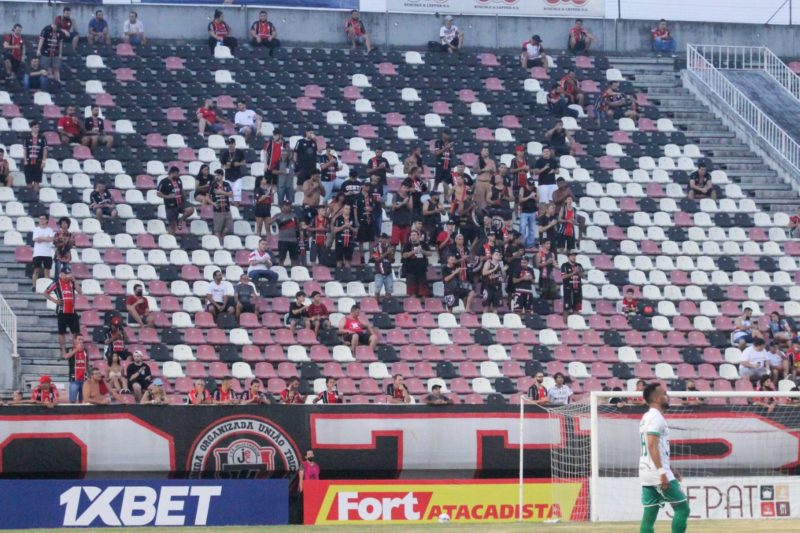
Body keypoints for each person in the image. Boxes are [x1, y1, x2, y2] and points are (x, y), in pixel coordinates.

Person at [639, 383, 689, 533]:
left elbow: (658, 448)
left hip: (646, 472)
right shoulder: (656, 418)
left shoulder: (646, 417)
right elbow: (652, 446)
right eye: (664, 393)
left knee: (649, 516)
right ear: (656, 398)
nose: (668, 397)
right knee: (682, 509)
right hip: (657, 473)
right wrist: (662, 472)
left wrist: (670, 469)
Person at [44, 265, 81, 357]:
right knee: (62, 332)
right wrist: (55, 301)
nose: (68, 276)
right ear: (61, 274)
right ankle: (63, 350)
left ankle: (75, 349)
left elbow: (80, 292)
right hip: (62, 311)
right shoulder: (56, 283)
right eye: (66, 274)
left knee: (75, 332)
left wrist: (75, 280)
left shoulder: (72, 282)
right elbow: (45, 293)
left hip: (72, 311)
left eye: (69, 274)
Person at [157, 166, 194, 234]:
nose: (178, 175)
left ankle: (180, 220)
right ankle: (170, 239)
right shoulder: (163, 182)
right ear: (172, 173)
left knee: (190, 209)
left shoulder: (178, 180)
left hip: (180, 202)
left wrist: (185, 197)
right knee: (172, 226)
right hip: (170, 205)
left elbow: (181, 189)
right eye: (177, 173)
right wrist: (167, 196)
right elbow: (158, 193)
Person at [402, 230, 432, 299]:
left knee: (424, 292)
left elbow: (430, 253)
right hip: (410, 270)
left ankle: (425, 306)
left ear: (418, 236)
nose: (412, 237)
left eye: (414, 235)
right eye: (411, 235)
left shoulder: (423, 244)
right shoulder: (407, 244)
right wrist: (413, 251)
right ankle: (413, 306)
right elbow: (404, 255)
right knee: (412, 293)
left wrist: (422, 251)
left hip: (421, 270)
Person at [23, 121, 47, 195]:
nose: (37, 129)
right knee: (29, 180)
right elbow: (25, 149)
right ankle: (29, 196)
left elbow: (45, 149)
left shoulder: (42, 138)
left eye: (38, 127)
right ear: (31, 128)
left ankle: (35, 197)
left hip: (38, 161)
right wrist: (25, 160)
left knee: (37, 180)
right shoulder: (27, 138)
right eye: (35, 127)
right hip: (28, 161)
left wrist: (43, 161)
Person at [31, 214, 55, 288]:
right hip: (37, 253)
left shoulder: (50, 230)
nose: (41, 220)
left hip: (47, 253)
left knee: (47, 271)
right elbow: (36, 239)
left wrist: (41, 237)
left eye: (43, 219)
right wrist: (45, 238)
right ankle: (34, 286)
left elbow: (51, 239)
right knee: (36, 270)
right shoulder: (36, 229)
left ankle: (47, 287)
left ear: (47, 220)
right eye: (40, 218)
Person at [63, 334, 88, 403]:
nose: (81, 341)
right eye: (79, 339)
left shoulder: (85, 350)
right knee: (72, 400)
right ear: (75, 340)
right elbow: (66, 357)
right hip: (74, 378)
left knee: (82, 400)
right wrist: (77, 349)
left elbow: (87, 363)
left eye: (82, 339)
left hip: (84, 378)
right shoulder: (70, 349)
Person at [209, 169, 234, 240]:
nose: (216, 177)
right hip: (217, 210)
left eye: (218, 175)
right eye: (215, 175)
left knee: (230, 226)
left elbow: (231, 194)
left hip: (227, 209)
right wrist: (213, 203)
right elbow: (208, 197)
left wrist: (221, 192)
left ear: (222, 176)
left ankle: (223, 235)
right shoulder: (213, 185)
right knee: (217, 229)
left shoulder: (227, 184)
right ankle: (218, 245)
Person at [274, 200, 300, 266]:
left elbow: (298, 226)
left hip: (293, 240)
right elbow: (269, 223)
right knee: (281, 258)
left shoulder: (294, 215)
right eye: (286, 205)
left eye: (289, 205)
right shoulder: (278, 215)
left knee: (294, 259)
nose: (288, 207)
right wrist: (276, 219)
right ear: (282, 206)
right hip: (282, 240)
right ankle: (280, 271)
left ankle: (295, 274)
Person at [37, 19, 63, 83]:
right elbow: (41, 40)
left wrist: (60, 53)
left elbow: (60, 43)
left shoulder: (60, 31)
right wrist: (38, 50)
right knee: (46, 68)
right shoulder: (46, 29)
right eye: (56, 27)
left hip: (55, 53)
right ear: (54, 24)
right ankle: (48, 83)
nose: (57, 29)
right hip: (46, 52)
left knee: (56, 68)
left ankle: (58, 82)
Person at [561, 251, 584, 322]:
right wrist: (574, 272)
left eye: (575, 256)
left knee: (577, 308)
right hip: (568, 289)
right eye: (572, 256)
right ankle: (565, 324)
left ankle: (574, 323)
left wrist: (579, 272)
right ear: (568, 257)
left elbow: (583, 276)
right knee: (566, 308)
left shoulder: (579, 265)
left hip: (578, 289)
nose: (574, 257)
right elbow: (563, 277)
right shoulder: (564, 265)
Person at [332, 204, 357, 269]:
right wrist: (344, 227)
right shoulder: (338, 218)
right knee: (339, 260)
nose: (347, 210)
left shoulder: (352, 219)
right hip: (340, 241)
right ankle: (339, 275)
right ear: (343, 209)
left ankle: (347, 275)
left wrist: (350, 227)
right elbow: (334, 230)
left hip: (350, 241)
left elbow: (356, 231)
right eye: (346, 208)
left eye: (349, 209)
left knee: (348, 260)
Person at [372, 233, 394, 301]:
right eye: (382, 238)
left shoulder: (389, 247)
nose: (383, 240)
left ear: (387, 239)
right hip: (379, 273)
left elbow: (392, 260)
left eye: (385, 238)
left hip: (388, 273)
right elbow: (377, 259)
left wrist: (390, 253)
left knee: (389, 292)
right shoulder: (375, 248)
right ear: (379, 239)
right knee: (377, 291)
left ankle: (386, 306)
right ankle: (376, 306)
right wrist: (387, 253)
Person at [518, 177, 538, 251]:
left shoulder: (535, 189)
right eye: (530, 185)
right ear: (527, 184)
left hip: (532, 211)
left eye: (532, 185)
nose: (531, 187)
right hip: (524, 211)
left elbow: (538, 199)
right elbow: (520, 200)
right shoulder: (523, 189)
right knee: (522, 228)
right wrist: (530, 196)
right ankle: (521, 244)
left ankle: (530, 245)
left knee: (532, 229)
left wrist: (534, 197)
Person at [433, 132, 455, 198]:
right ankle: (433, 196)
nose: (448, 136)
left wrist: (450, 148)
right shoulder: (438, 142)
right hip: (440, 164)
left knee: (446, 182)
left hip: (447, 164)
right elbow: (436, 153)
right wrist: (446, 147)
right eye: (447, 134)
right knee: (437, 181)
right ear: (443, 134)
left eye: (449, 134)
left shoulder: (450, 143)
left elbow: (452, 154)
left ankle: (446, 197)